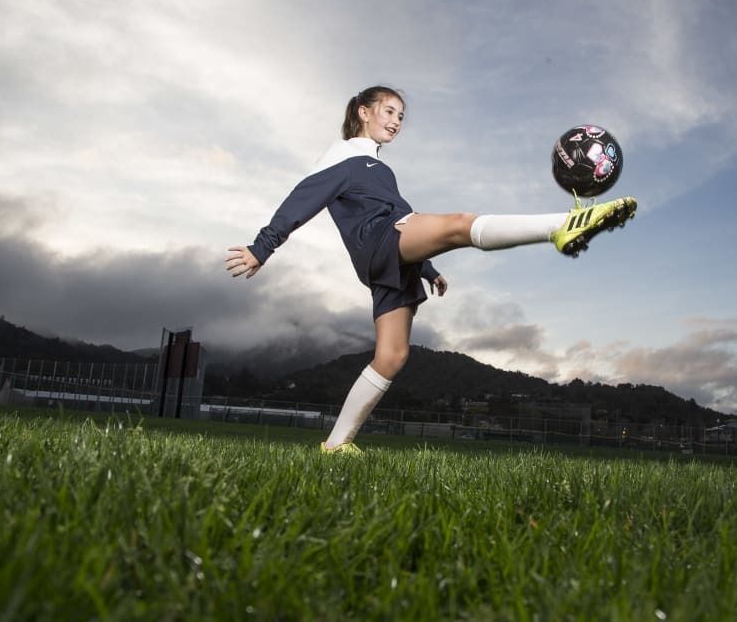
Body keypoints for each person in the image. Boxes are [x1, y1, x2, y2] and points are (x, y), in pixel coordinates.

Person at [226, 85, 636, 455]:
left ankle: (335, 445)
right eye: (389, 111)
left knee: (392, 356)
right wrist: (263, 247)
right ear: (363, 112)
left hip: (392, 254)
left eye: (401, 116)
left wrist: (426, 268)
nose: (396, 122)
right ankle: (562, 225)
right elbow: (302, 200)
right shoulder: (343, 155)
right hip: (379, 240)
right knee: (458, 224)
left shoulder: (377, 167)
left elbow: (403, 216)